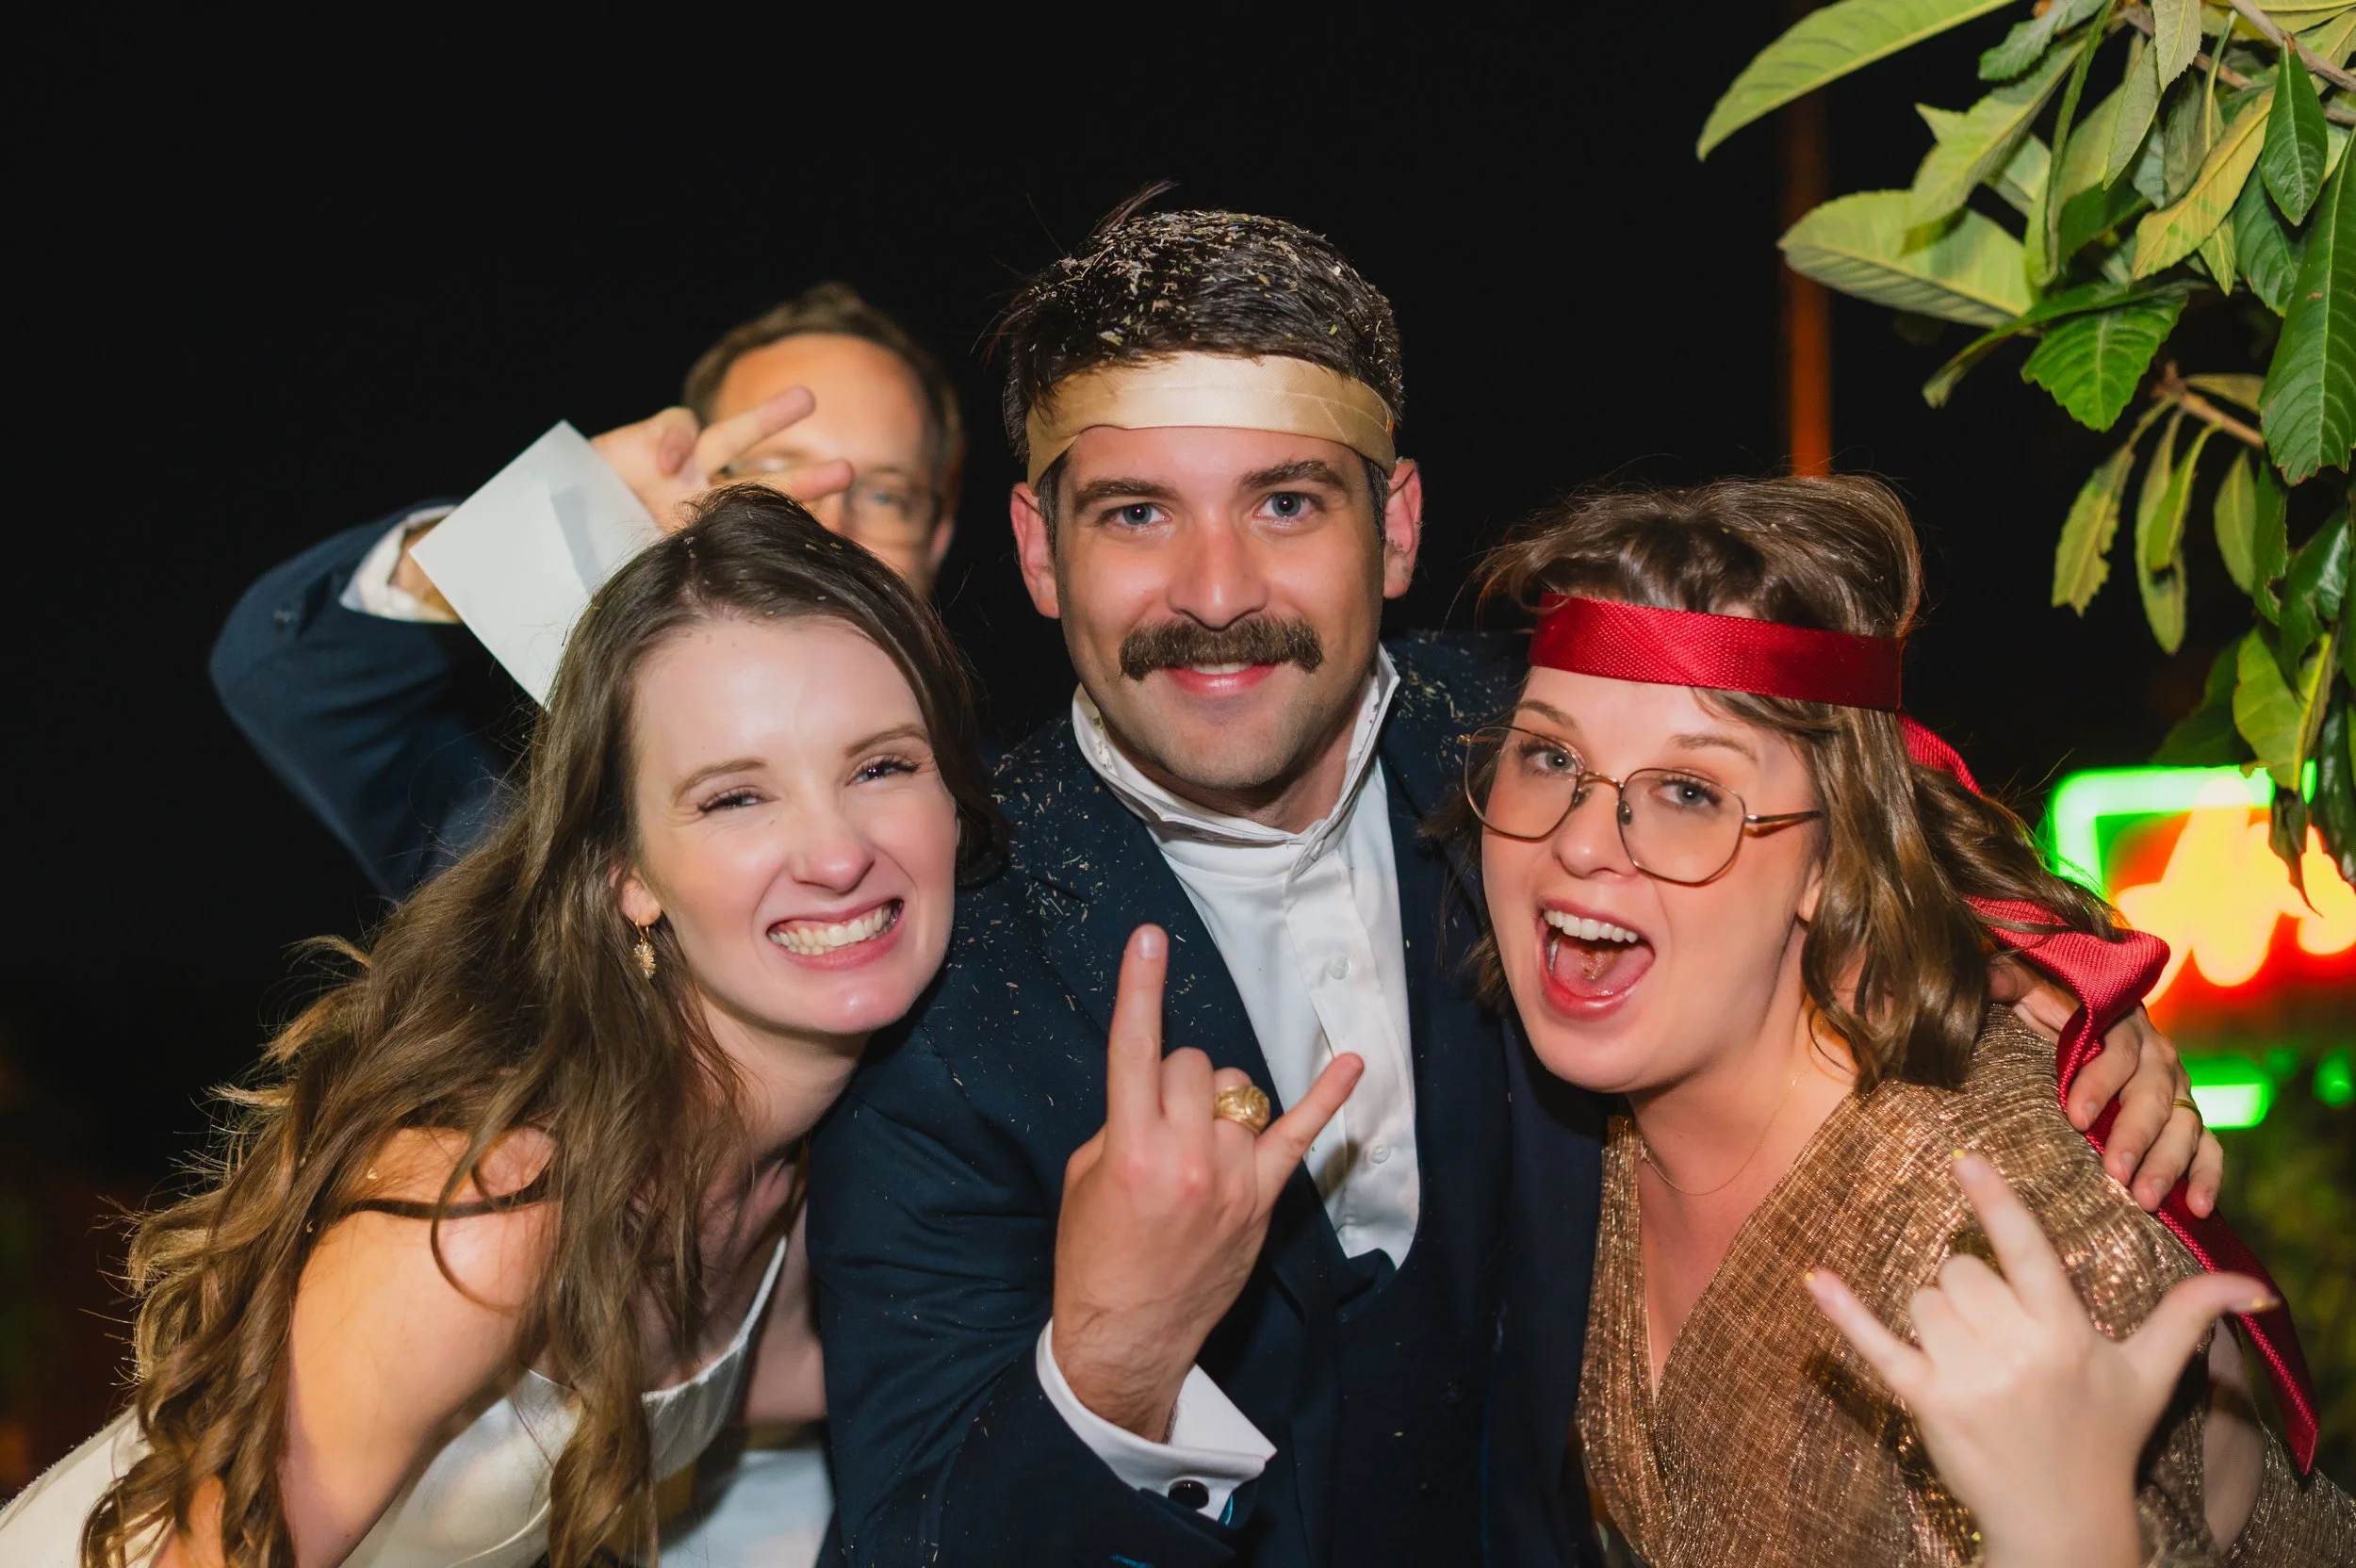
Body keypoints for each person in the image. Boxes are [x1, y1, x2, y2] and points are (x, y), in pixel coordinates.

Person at [804, 205, 2217, 1568]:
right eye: (1135, 515)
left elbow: (1845, 763)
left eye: (1287, 502)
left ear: (1399, 525)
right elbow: (903, 1534)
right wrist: (1107, 1369)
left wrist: (2057, 977)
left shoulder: (1543, 756)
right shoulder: (936, 956)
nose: (1217, 589)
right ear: (1042, 550)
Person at [0, 489, 1003, 1568]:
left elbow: (929, 1393)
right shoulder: (495, 1206)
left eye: (881, 765)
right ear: (626, 876)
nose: (836, 851)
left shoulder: (798, 1181)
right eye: (734, 798)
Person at [1447, 476, 2351, 1564]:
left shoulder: (2014, 1223)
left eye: (1689, 789)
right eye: (1549, 757)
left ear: (1827, 861)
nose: (1584, 841)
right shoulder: (1564, 1113)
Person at [210, 281, 966, 896]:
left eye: (887, 497)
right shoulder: (525, 814)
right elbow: (290, 678)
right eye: (770, 476)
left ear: (938, 538)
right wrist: (532, 528)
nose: (824, 526)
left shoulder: (1026, 818)